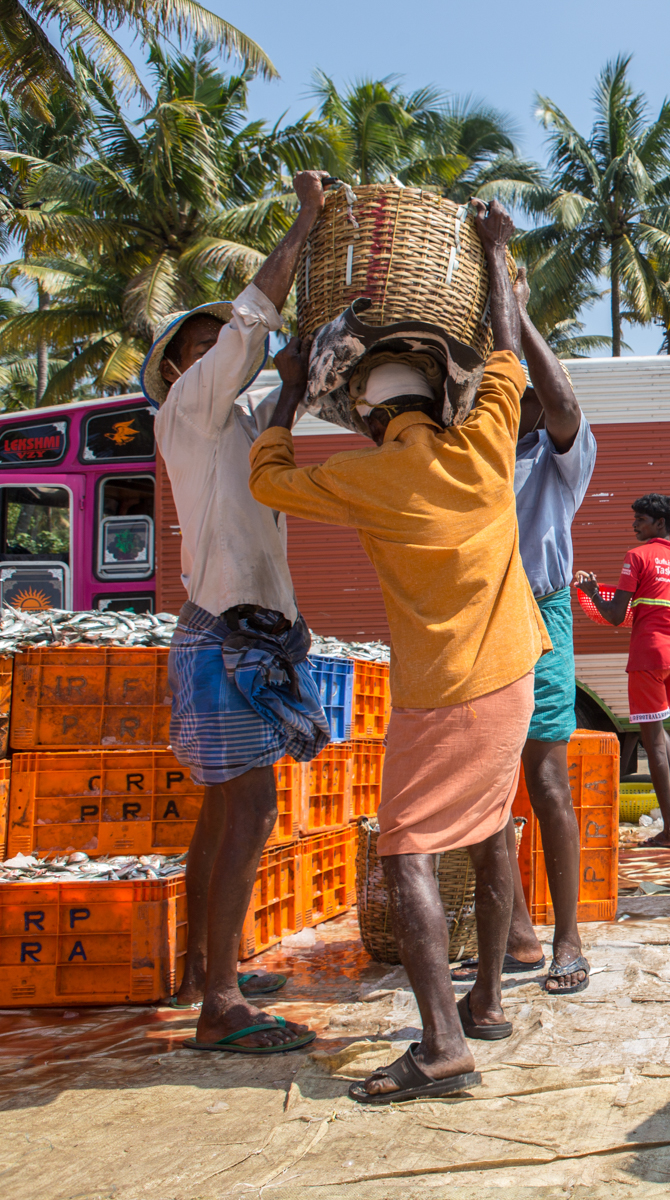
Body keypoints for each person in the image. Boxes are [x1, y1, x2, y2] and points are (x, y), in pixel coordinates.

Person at [250, 199, 552, 1104]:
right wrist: (496, 252)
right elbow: (505, 349)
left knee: (408, 854)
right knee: (493, 829)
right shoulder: (489, 439)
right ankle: (488, 999)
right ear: (434, 399)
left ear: (375, 421)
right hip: (514, 673)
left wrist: (290, 391)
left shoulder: (369, 475)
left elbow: (266, 477)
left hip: (445, 689)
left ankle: (443, 1044)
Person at [150, 169, 334, 1056]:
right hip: (225, 636)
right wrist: (304, 221)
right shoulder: (187, 408)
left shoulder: (226, 424)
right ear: (180, 368)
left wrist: (295, 381)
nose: (224, 342)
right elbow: (257, 319)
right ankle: (220, 1001)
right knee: (251, 811)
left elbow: (279, 405)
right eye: (207, 339)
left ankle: (202, 968)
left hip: (226, 633)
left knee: (222, 814)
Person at [467, 267, 596, 997]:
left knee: (545, 781)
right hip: (480, 619)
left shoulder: (558, 463)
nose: (513, 405)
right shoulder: (469, 458)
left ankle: (567, 939)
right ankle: (515, 931)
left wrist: (518, 312)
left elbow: (563, 400)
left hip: (539, 615)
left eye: (520, 396)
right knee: (486, 789)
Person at [576, 493, 670, 847]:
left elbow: (616, 616)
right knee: (659, 730)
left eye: (640, 520)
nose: (634, 525)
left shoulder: (637, 557)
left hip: (648, 655)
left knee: (651, 742)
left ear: (659, 524)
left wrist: (591, 592)